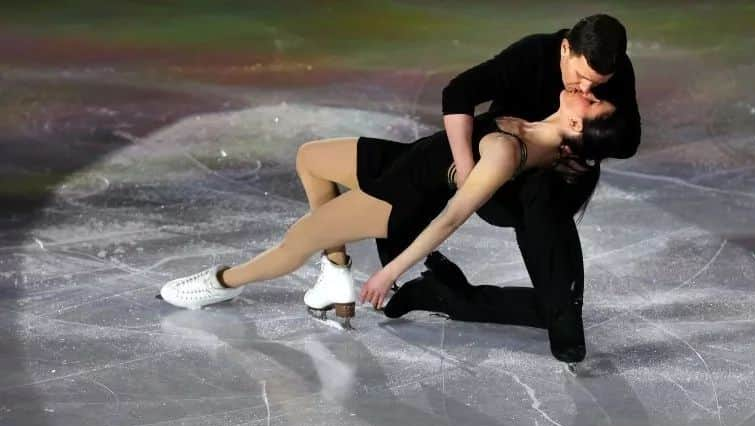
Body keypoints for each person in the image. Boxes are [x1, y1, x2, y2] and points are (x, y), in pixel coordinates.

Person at [158, 91, 626, 322]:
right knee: (311, 157)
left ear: (576, 127)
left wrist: (388, 271)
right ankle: (337, 274)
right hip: (402, 160)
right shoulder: (537, 117)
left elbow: (451, 216)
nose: (587, 92)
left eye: (593, 103)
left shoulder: (509, 153)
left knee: (297, 241)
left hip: (399, 198)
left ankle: (222, 283)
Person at [377, 14, 641, 363]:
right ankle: (562, 314)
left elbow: (628, 140)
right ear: (565, 49)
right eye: (580, 78)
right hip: (505, 182)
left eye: (597, 87)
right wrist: (468, 174)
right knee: (537, 193)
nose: (587, 90)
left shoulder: (615, 69)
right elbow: (458, 92)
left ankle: (448, 297)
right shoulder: (532, 55)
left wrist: (588, 151)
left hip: (558, 186)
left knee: (547, 204)